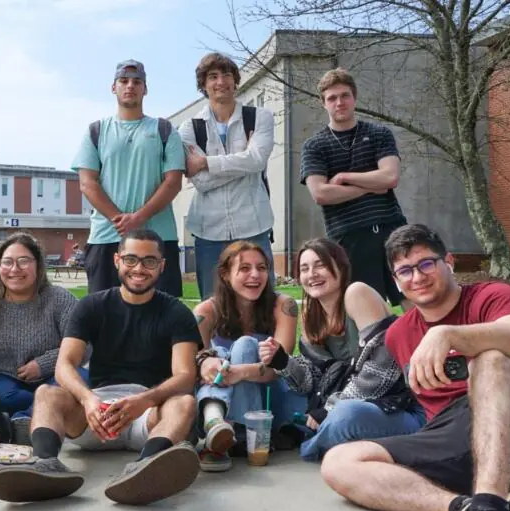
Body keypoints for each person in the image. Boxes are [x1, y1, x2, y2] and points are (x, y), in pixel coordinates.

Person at [321, 224, 510, 511]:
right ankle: (469, 510)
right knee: (339, 462)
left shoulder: (493, 296)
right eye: (405, 271)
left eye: (427, 264)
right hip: (464, 444)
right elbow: (374, 385)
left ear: (449, 262)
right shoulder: (399, 334)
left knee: (492, 360)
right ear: (396, 280)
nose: (418, 277)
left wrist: (449, 334)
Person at [0, 229, 201, 506]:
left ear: (162, 266)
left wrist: (144, 400)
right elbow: (64, 365)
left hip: (148, 412)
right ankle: (45, 464)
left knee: (183, 402)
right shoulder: (92, 305)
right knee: (46, 393)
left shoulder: (176, 313)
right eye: (131, 259)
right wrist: (88, 399)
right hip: (97, 412)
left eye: (149, 261)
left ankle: (147, 467)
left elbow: (185, 376)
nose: (139, 268)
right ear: (116, 261)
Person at [259, 238, 424, 463]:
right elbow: (313, 382)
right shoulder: (311, 314)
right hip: (345, 402)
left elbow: (381, 372)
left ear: (340, 266)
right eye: (304, 268)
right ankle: (322, 434)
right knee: (285, 401)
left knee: (345, 416)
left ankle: (310, 443)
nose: (312, 274)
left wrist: (328, 409)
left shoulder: (357, 294)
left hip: (399, 407)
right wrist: (282, 362)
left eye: (320, 265)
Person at [72, 59, 186, 298]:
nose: (130, 86)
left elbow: (173, 182)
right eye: (123, 81)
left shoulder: (164, 130)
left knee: (162, 318)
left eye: (137, 81)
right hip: (106, 238)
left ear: (145, 89)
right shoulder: (96, 131)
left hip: (158, 238)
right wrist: (119, 219)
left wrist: (140, 217)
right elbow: (87, 183)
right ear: (113, 87)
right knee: (103, 317)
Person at [192, 241, 303, 472]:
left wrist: (238, 372)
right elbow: (193, 365)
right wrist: (208, 364)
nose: (255, 275)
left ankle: (224, 428)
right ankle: (219, 426)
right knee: (216, 355)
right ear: (225, 274)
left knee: (243, 346)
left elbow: (282, 367)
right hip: (225, 392)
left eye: (262, 268)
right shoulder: (206, 311)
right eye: (244, 268)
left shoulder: (283, 306)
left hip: (271, 405)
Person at [300, 67, 407, 307]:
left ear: (354, 97)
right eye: (332, 98)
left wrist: (344, 177)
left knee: (413, 297)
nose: (339, 102)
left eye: (345, 95)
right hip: (349, 237)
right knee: (365, 308)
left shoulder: (379, 134)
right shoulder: (314, 146)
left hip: (393, 229)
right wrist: (370, 186)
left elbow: (390, 177)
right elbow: (320, 193)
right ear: (323, 103)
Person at [179, 52, 277, 298]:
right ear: (203, 84)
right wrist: (243, 162)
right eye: (212, 76)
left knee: (262, 304)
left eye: (226, 75)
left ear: (235, 80)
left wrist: (206, 162)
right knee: (213, 306)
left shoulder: (259, 117)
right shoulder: (189, 127)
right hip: (208, 231)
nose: (220, 81)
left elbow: (256, 161)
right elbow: (199, 181)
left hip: (254, 225)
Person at [0, 233, 83, 444]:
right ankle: (40, 418)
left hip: (53, 376)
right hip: (2, 379)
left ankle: (23, 421)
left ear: (38, 265)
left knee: (77, 382)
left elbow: (84, 344)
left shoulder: (59, 298)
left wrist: (44, 364)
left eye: (24, 261)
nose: (15, 269)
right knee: (2, 396)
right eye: (8, 262)